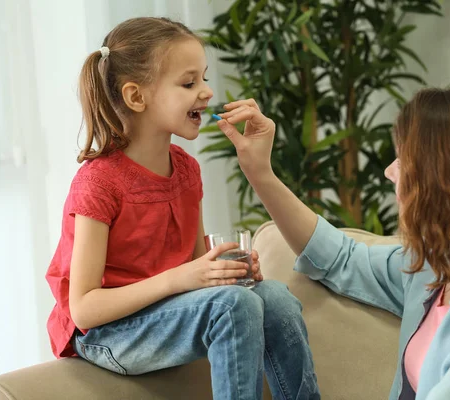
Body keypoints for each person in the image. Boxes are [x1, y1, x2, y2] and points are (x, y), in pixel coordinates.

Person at [217, 87, 450, 399]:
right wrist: (259, 172)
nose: (391, 171)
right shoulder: (438, 265)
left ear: (445, 180)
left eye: (404, 158)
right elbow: (340, 257)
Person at [45, 17, 320, 400]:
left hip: (164, 313)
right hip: (106, 334)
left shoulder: (187, 170)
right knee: (233, 306)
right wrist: (183, 279)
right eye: (189, 83)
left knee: (272, 297)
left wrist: (226, 270)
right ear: (136, 97)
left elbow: (196, 270)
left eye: (204, 78)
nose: (207, 92)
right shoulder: (98, 183)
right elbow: (85, 310)